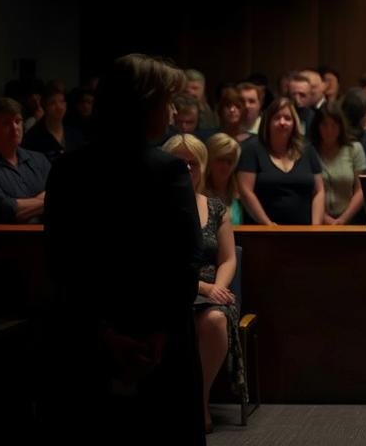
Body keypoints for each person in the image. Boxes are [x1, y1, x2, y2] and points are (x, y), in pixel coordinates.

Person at [42, 53, 205, 443]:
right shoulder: (167, 170)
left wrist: (104, 332)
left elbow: (61, 260)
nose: (171, 112)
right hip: (160, 341)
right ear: (143, 103)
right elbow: (185, 260)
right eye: (165, 101)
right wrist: (160, 333)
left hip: (86, 336)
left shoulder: (68, 168)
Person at [162, 133, 246, 433]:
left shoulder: (215, 207)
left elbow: (228, 259)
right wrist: (203, 287)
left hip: (213, 294)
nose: (187, 169)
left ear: (202, 167)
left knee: (213, 321)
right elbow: (161, 264)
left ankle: (199, 401)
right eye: (179, 163)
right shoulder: (155, 207)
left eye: (193, 164)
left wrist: (217, 288)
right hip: (169, 289)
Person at [237, 97, 325, 225]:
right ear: (268, 122)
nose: (282, 122)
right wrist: (267, 224)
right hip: (263, 232)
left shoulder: (307, 149)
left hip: (304, 232)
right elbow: (245, 191)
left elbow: (319, 191)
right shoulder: (252, 149)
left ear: (295, 122)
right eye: (277, 118)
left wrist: (315, 227)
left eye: (287, 118)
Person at [0, 97, 51, 223]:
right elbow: (3, 208)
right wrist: (42, 203)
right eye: (6, 123)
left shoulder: (39, 159)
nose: (15, 127)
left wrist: (21, 207)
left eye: (18, 121)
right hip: (4, 240)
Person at [312, 102, 366, 224]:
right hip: (317, 219)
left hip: (350, 219)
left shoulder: (354, 149)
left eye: (334, 125)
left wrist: (342, 219)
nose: (329, 130)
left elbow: (361, 190)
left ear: (341, 126)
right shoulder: (310, 151)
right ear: (317, 126)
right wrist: (325, 218)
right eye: (324, 125)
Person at [204, 133, 244, 225]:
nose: (225, 166)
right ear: (209, 159)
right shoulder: (199, 193)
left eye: (229, 161)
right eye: (221, 160)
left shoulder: (240, 193)